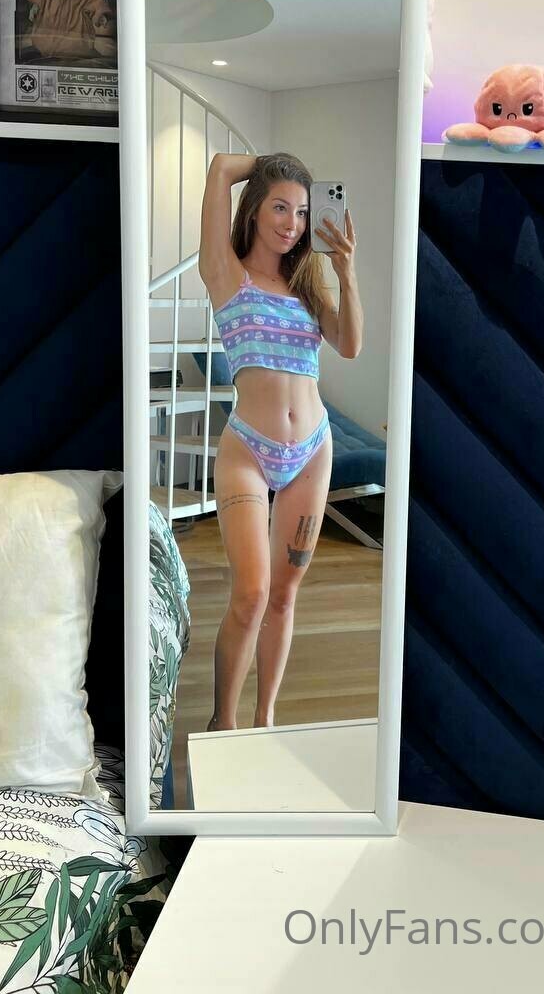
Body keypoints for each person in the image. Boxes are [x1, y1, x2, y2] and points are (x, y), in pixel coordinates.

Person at [198, 151, 363, 731]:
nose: (292, 223)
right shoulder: (226, 273)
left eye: (301, 211)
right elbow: (221, 167)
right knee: (251, 593)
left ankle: (265, 718)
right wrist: (274, 163)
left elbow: (349, 346)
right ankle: (223, 723)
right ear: (254, 210)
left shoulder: (307, 286)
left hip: (312, 450)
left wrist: (346, 271)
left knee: (285, 595)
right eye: (279, 207)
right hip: (248, 448)